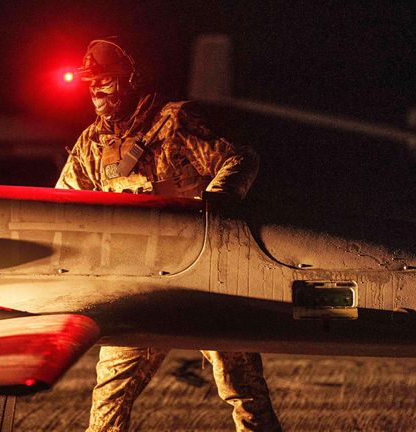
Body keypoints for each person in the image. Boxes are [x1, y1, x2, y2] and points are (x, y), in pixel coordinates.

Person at [56, 37, 281, 432]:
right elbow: (61, 205)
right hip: (140, 283)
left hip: (206, 279)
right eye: (91, 83)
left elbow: (240, 158)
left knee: (242, 390)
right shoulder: (92, 144)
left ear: (131, 80)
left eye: (106, 80)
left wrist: (216, 207)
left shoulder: (176, 121)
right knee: (109, 397)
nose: (96, 91)